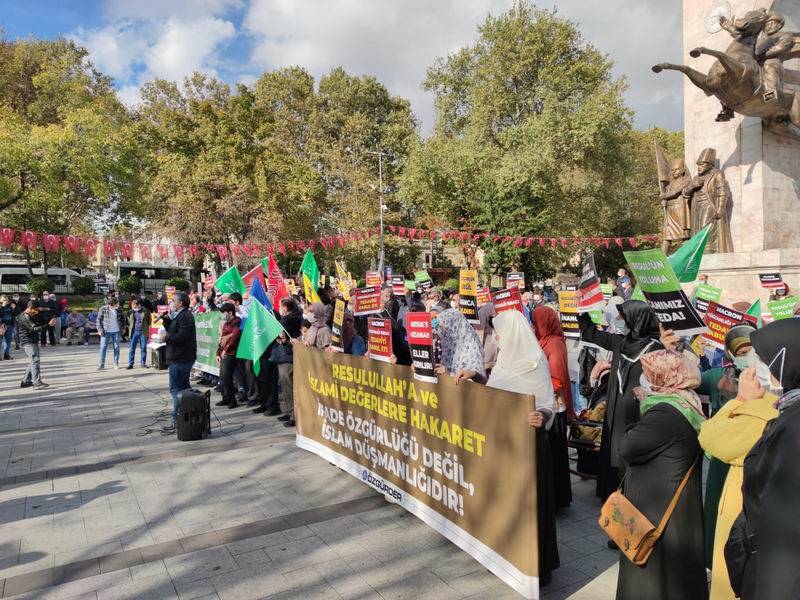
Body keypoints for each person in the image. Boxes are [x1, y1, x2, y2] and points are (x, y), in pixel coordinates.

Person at [615, 350, 707, 600]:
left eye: (648, 374)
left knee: (654, 578)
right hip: (675, 506)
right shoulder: (685, 402)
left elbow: (626, 446)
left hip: (657, 512)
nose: (644, 379)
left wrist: (633, 413)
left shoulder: (665, 412)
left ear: (663, 377)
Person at [694, 327, 776, 600]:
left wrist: (740, 400)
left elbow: (709, 435)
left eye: (754, 351)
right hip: (722, 470)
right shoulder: (721, 376)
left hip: (743, 477)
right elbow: (693, 379)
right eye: (742, 353)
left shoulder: (771, 400)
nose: (749, 358)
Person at [725, 319, 800, 600]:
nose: (759, 369)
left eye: (765, 361)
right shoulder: (789, 412)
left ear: (786, 361)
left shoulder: (793, 427)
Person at [486, 309, 558, 586]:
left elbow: (547, 404)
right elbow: (492, 396)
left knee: (530, 505)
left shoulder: (534, 363)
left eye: (499, 332)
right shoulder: (503, 362)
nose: (496, 337)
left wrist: (542, 416)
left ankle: (536, 566)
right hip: (503, 445)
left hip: (530, 446)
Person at [578, 300, 663, 501]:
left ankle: (632, 492)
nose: (619, 321)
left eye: (622, 317)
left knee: (631, 448)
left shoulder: (656, 349)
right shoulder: (621, 342)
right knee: (613, 448)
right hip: (616, 409)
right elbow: (591, 334)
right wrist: (583, 311)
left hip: (638, 409)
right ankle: (610, 491)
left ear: (636, 319)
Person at [532, 306, 574, 508]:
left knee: (555, 452)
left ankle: (557, 499)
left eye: (536, 322)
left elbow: (557, 380)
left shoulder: (555, 344)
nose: (533, 326)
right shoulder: (544, 341)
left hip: (554, 407)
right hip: (547, 404)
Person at [160, 292, 197, 424]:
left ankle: (177, 418)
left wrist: (166, 338)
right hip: (178, 357)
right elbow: (173, 330)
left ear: (180, 303)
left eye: (173, 300)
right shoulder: (179, 315)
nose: (171, 303)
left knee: (176, 389)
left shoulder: (185, 316)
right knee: (184, 388)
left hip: (181, 357)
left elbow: (181, 337)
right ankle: (186, 416)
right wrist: (166, 320)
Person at [271, 297, 303, 426]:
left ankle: (294, 415)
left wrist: (279, 337)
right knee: (285, 385)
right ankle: (289, 412)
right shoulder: (289, 318)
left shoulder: (291, 319)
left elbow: (281, 333)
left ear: (285, 307)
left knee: (289, 385)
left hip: (288, 356)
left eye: (280, 306)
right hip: (285, 355)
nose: (279, 308)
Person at [433, 308, 486, 384]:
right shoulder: (448, 343)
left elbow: (476, 380)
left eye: (447, 327)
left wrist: (449, 373)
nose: (443, 332)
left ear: (455, 326)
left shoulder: (471, 348)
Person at [16, 301, 56, 389]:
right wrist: (48, 325)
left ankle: (26, 381)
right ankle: (37, 383)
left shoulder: (31, 314)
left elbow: (38, 323)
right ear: (30, 308)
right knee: (35, 360)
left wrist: (48, 322)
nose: (36, 312)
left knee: (34, 360)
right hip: (27, 341)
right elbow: (34, 328)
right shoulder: (24, 316)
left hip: (33, 340)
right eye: (35, 310)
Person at [215, 302, 242, 408]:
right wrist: (218, 352)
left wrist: (225, 350)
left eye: (224, 313)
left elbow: (234, 337)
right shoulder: (226, 324)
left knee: (227, 377)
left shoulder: (237, 322)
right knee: (222, 378)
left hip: (232, 353)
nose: (222, 315)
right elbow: (222, 339)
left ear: (230, 312)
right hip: (224, 354)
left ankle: (232, 400)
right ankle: (225, 397)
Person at [97, 296, 126, 370]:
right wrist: (99, 330)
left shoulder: (119, 309)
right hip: (105, 331)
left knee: (116, 347)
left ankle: (116, 363)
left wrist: (123, 328)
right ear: (110, 305)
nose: (117, 306)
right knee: (103, 347)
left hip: (116, 331)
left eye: (117, 304)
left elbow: (123, 319)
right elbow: (98, 320)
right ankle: (101, 365)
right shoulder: (103, 308)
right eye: (115, 305)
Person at [126, 299, 151, 369]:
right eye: (132, 306)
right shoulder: (130, 312)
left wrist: (145, 326)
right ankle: (130, 364)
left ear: (139, 305)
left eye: (135, 307)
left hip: (143, 331)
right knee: (132, 348)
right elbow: (128, 321)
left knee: (143, 348)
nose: (134, 308)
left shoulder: (146, 311)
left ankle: (143, 363)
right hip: (134, 332)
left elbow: (149, 320)